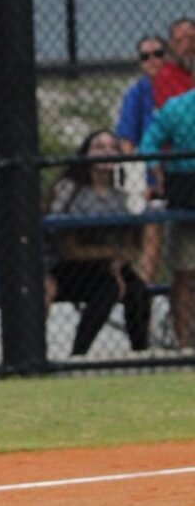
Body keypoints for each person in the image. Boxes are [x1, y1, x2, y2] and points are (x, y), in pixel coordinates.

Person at [46, 130, 151, 356]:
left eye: (112, 147)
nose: (106, 152)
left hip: (110, 265)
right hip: (71, 268)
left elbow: (130, 243)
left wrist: (118, 263)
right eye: (99, 147)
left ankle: (141, 353)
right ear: (86, 154)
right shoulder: (69, 189)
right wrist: (110, 254)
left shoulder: (122, 194)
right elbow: (68, 249)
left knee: (138, 289)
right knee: (108, 287)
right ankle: (79, 354)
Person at [140, 88, 195, 350]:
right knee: (184, 274)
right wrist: (156, 173)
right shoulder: (176, 107)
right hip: (186, 198)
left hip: (185, 195)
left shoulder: (174, 105)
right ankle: (185, 345)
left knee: (184, 276)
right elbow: (148, 144)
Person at [115, 34, 167, 282]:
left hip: (180, 171)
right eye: (146, 57)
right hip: (149, 177)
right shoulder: (137, 93)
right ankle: (145, 291)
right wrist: (138, 181)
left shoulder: (180, 87)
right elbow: (126, 141)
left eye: (158, 54)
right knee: (151, 233)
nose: (153, 60)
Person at [153, 17, 195, 109]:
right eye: (180, 41)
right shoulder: (166, 74)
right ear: (171, 44)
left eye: (191, 39)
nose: (187, 46)